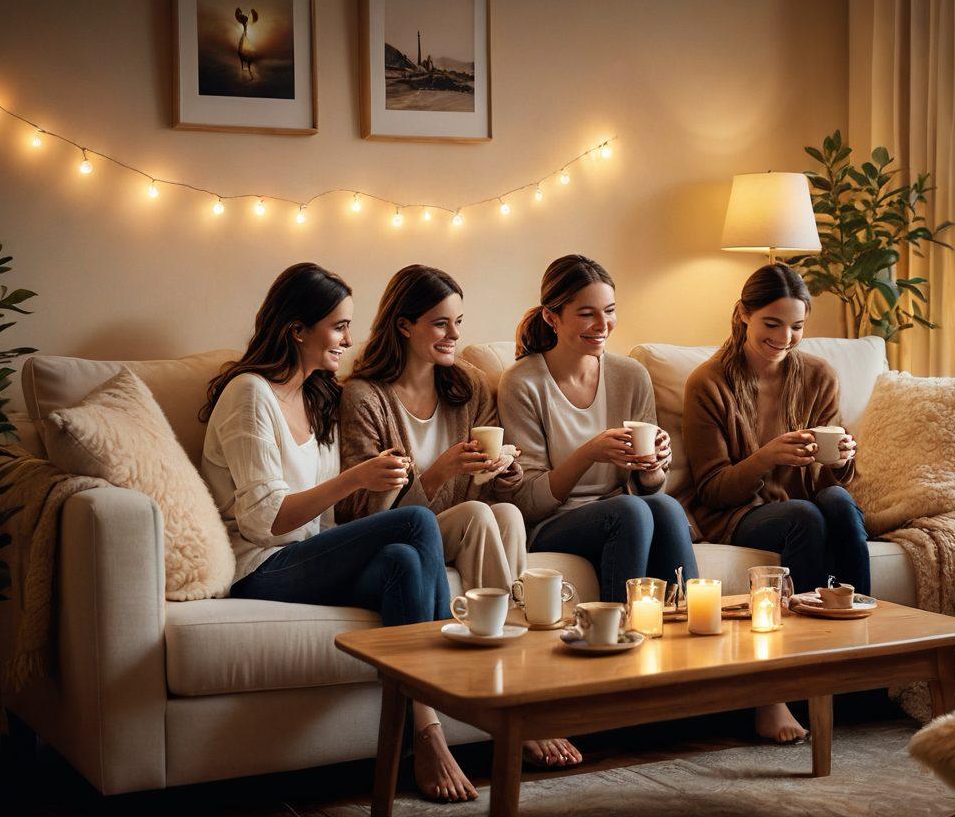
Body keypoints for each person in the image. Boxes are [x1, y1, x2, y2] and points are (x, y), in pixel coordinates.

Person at [199, 262, 477, 803]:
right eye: (338, 326)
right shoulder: (249, 394)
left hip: (309, 557)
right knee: (417, 521)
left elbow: (332, 526)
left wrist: (374, 491)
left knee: (401, 558)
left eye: (350, 326)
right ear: (297, 329)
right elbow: (262, 520)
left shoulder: (319, 397)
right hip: (261, 566)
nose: (350, 339)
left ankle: (409, 740)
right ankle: (433, 725)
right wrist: (356, 477)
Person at [337, 264, 582, 769]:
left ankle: (518, 679)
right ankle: (516, 695)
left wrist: (505, 467)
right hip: (405, 528)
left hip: (473, 523)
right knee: (476, 512)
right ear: (404, 325)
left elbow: (502, 490)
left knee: (509, 517)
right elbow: (357, 511)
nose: (455, 336)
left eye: (459, 322)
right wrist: (440, 469)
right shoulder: (364, 396)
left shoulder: (467, 385)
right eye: (441, 323)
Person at [682, 261, 867, 744]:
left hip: (806, 506)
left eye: (797, 326)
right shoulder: (709, 383)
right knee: (805, 516)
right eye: (772, 323)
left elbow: (832, 478)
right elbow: (711, 490)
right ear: (744, 314)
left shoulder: (819, 375)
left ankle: (861, 663)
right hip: (737, 515)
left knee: (841, 506)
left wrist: (844, 458)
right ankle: (782, 690)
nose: (785, 337)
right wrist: (765, 458)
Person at [498, 254, 699, 604]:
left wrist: (652, 465)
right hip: (554, 523)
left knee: (666, 507)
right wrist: (591, 452)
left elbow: (650, 488)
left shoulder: (631, 376)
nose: (603, 324)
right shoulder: (522, 383)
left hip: (624, 511)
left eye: (609, 310)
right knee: (631, 511)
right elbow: (528, 502)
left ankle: (690, 628)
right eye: (587, 314)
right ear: (551, 317)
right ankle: (615, 634)